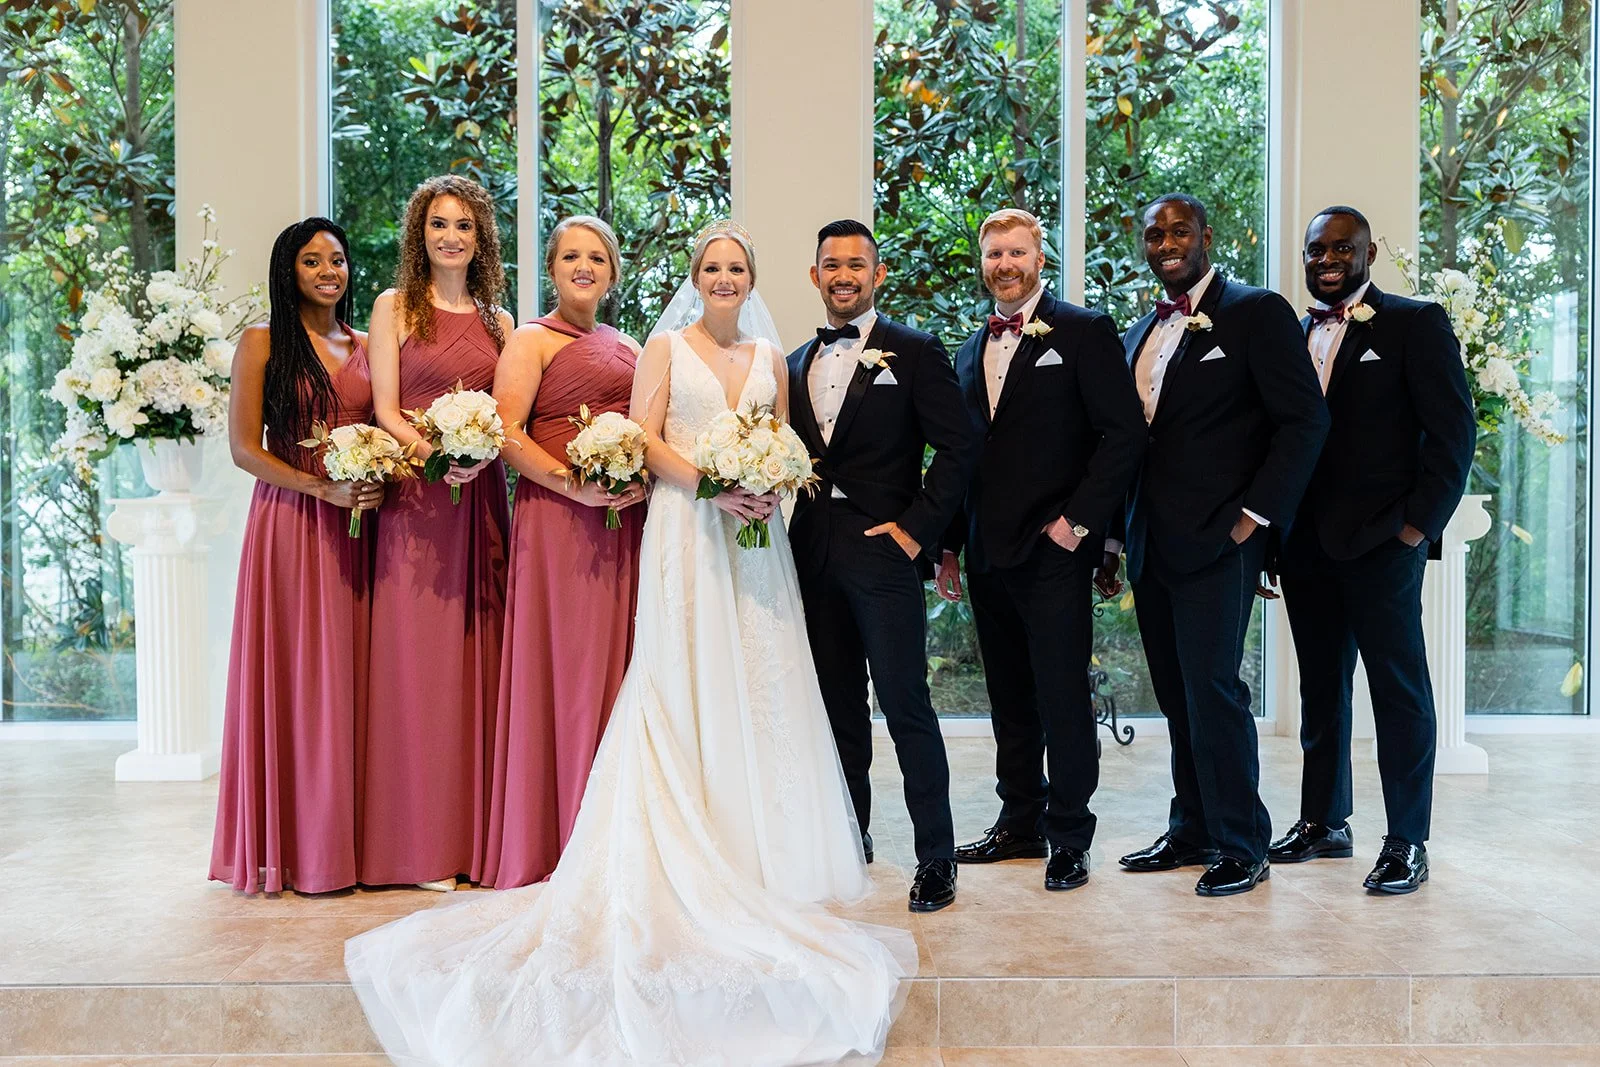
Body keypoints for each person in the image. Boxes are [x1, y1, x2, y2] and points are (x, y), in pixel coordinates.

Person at [346, 220, 915, 1066]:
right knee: (683, 676)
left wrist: (766, 489)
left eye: (736, 269)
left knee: (764, 679)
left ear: (753, 280)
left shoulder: (769, 358)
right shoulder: (661, 345)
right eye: (712, 268)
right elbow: (646, 438)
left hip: (756, 546)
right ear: (693, 278)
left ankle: (767, 845)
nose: (724, 279)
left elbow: (788, 446)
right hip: (687, 529)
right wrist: (715, 482)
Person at [1106, 193, 1329, 897]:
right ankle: (1192, 825)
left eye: (1179, 231)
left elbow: (1304, 422)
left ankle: (1242, 840)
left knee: (1214, 690)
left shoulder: (1256, 312)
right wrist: (1113, 538)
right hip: (1150, 540)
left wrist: (1256, 517)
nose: (1167, 242)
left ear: (1206, 236)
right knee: (1177, 695)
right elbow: (1126, 446)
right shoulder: (1141, 329)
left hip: (1219, 540)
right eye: (1154, 232)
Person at [1260, 206, 1475, 895]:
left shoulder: (1416, 323)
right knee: (1321, 686)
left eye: (1341, 247)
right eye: (1315, 248)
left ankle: (1407, 838)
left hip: (1384, 540)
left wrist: (1418, 526)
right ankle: (1325, 821)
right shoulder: (1292, 333)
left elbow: (1453, 433)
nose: (1327, 258)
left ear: (1369, 252)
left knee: (1398, 689)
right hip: (1305, 544)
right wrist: (1272, 533)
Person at [935, 208, 1147, 892]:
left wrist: (1079, 525)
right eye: (994, 252)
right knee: (1009, 696)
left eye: (1017, 251)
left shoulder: (1084, 332)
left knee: (1062, 695)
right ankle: (1019, 820)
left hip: (1056, 549)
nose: (1004, 263)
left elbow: (1122, 437)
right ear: (984, 261)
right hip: (986, 552)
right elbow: (962, 456)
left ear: (1040, 258)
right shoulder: (969, 350)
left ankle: (1069, 833)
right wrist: (946, 548)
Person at [787, 218, 979, 912]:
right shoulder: (793, 361)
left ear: (878, 274)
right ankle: (849, 837)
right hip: (811, 548)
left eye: (856, 265)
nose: (843, 275)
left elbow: (958, 451)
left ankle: (937, 857)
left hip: (884, 547)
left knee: (905, 704)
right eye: (830, 264)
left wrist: (917, 533)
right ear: (815, 275)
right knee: (837, 708)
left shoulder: (917, 351)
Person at [210, 218, 384, 895]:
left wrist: (375, 476)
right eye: (311, 261)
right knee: (299, 679)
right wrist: (320, 486)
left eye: (336, 259)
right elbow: (244, 448)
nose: (327, 272)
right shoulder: (261, 343)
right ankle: (297, 848)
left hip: (364, 526)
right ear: (289, 271)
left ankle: (358, 843)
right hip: (291, 523)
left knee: (355, 680)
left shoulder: (369, 346)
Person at [480, 215, 648, 890]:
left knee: (620, 673)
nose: (585, 266)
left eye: (597, 257)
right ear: (551, 268)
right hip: (557, 522)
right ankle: (557, 835)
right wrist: (572, 488)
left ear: (612, 271)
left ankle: (619, 834)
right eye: (572, 256)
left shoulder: (629, 343)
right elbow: (506, 432)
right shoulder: (529, 339)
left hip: (624, 525)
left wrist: (634, 478)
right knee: (567, 672)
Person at [360, 175, 514, 891]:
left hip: (481, 502)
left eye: (464, 226)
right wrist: (437, 457)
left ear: (481, 239)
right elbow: (388, 409)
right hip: (417, 503)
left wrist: (475, 459)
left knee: (478, 663)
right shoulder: (395, 307)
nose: (450, 236)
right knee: (417, 667)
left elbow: (509, 416)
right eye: (438, 224)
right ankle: (417, 844)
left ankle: (475, 837)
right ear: (418, 235)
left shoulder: (501, 322)